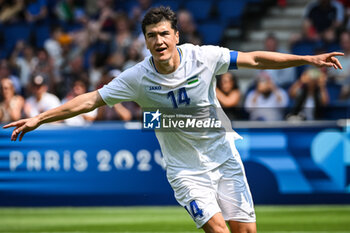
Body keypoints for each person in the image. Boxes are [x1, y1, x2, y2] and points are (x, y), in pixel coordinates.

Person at [3, 6, 343, 233]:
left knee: (247, 231)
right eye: (152, 35)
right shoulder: (136, 77)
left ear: (176, 35)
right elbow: (91, 99)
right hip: (185, 171)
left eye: (164, 33)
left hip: (224, 157)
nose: (159, 40)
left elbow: (255, 59)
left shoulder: (204, 57)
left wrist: (308, 58)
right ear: (146, 42)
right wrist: (39, 119)